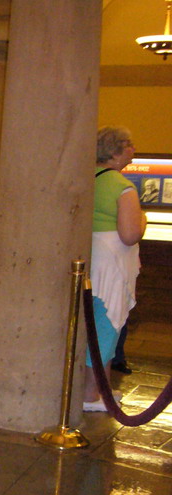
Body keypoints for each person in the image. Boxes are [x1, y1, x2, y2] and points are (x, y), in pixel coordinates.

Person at [84, 127, 145, 411]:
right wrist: (143, 220)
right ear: (116, 150)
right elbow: (130, 233)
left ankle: (102, 391)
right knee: (107, 326)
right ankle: (89, 394)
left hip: (93, 259)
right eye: (129, 144)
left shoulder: (89, 178)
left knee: (101, 325)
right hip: (111, 264)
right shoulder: (122, 186)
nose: (133, 149)